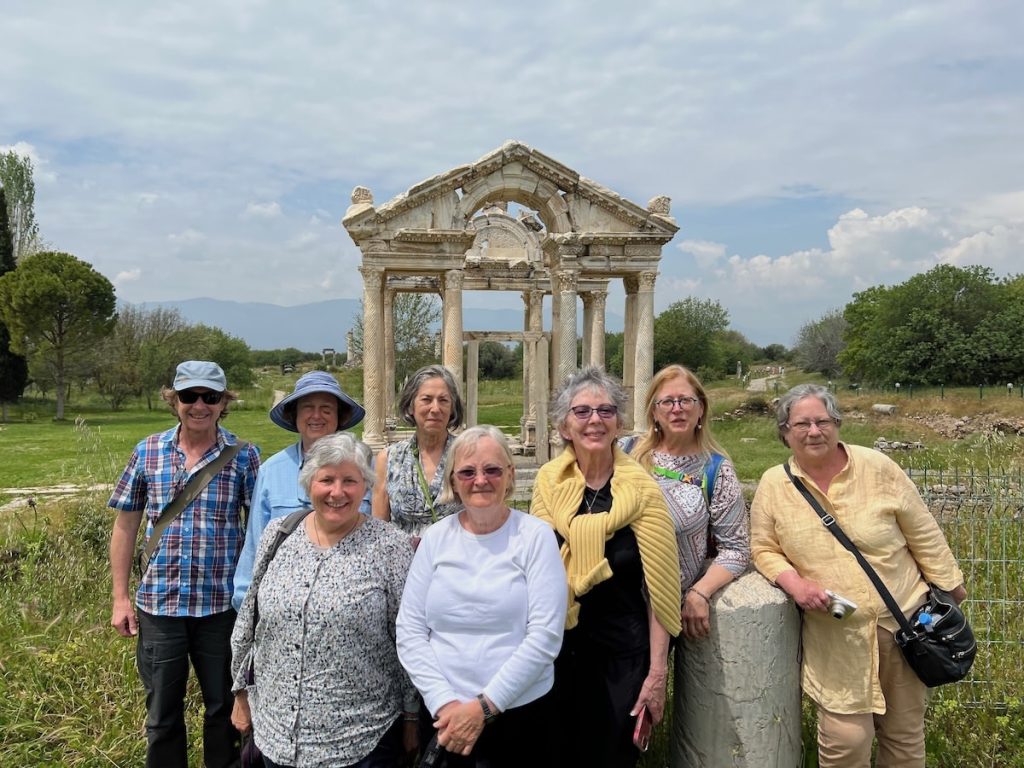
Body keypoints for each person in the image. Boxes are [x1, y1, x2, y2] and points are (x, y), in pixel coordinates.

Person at [750, 384, 967, 768]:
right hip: (837, 635)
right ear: (785, 432)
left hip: (904, 624)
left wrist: (951, 592)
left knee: (903, 738)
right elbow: (763, 548)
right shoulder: (773, 484)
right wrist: (795, 584)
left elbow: (923, 533)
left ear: (837, 423)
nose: (814, 432)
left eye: (822, 421)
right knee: (846, 742)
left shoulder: (877, 467)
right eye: (802, 424)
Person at [230, 432, 416, 768]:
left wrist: (412, 717)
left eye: (350, 481)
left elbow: (406, 637)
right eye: (327, 480)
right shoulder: (279, 533)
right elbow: (249, 619)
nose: (337, 492)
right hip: (277, 734)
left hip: (360, 740)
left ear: (366, 486)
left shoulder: (390, 546)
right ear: (308, 484)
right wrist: (240, 693)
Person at [108, 360, 261, 768]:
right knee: (162, 715)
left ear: (223, 403)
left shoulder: (244, 457)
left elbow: (259, 530)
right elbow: (125, 525)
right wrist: (120, 598)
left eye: (210, 397)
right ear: (174, 400)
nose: (199, 405)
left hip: (220, 608)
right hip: (160, 606)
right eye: (190, 396)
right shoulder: (148, 451)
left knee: (225, 712)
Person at [531, 367, 681, 768]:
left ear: (619, 423)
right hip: (556, 651)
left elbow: (662, 590)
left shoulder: (643, 490)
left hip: (623, 656)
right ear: (563, 426)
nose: (594, 420)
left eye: (605, 411)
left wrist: (657, 674)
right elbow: (534, 571)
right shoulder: (548, 483)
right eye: (581, 411)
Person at [396, 426, 567, 767]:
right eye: (467, 472)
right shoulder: (436, 538)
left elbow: (545, 636)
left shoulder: (536, 536)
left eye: (492, 470)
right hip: (445, 716)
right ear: (453, 480)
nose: (480, 480)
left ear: (510, 475)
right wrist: (445, 703)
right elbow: (410, 629)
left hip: (518, 714)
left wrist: (483, 708)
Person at [626, 364, 749, 638]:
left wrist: (700, 591)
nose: (677, 409)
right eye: (667, 402)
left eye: (686, 400)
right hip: (610, 603)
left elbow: (736, 549)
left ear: (701, 408)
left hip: (664, 611)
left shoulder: (716, 470)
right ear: (654, 411)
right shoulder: (627, 452)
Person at [231, 370, 366, 610]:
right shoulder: (272, 470)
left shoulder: (366, 468)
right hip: (283, 603)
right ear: (295, 415)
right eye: (307, 408)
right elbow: (255, 541)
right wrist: (245, 600)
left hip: (351, 600)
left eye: (326, 409)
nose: (316, 416)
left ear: (339, 416)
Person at [373, 364, 463, 542]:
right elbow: (378, 527)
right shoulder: (389, 458)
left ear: (452, 408)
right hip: (402, 556)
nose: (435, 408)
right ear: (410, 407)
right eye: (426, 400)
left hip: (455, 555)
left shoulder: (466, 455)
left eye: (443, 400)